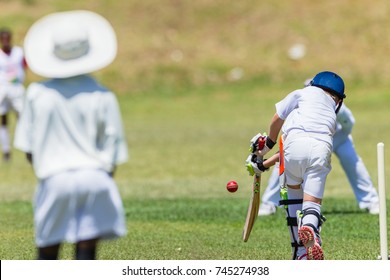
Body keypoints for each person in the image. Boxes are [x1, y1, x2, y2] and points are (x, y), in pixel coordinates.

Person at [14, 10, 128, 260]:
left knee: (48, 250)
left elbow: (29, 148)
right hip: (95, 177)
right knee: (86, 250)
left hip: (55, 178)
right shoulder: (102, 94)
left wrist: (46, 174)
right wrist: (103, 178)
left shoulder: (36, 93)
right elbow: (113, 149)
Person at [245, 71, 346, 260]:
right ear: (338, 99)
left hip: (293, 149)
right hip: (321, 149)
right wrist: (264, 164)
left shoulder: (301, 96)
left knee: (293, 194)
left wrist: (266, 147)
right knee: (312, 203)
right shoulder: (329, 110)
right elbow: (307, 144)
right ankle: (309, 226)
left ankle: (300, 252)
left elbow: (278, 122)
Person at [258, 88, 379, 216]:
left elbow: (349, 124)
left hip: (339, 137)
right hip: (308, 138)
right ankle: (269, 203)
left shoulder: (338, 107)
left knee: (353, 162)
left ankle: (371, 201)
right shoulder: (301, 102)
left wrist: (334, 139)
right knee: (286, 163)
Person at [0, 27, 27, 162]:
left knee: (22, 118)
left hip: (17, 88)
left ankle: (26, 147)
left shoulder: (18, 52)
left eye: (7, 38)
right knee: (3, 120)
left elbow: (25, 65)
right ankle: (6, 150)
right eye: (3, 39)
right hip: (3, 89)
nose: (5, 41)